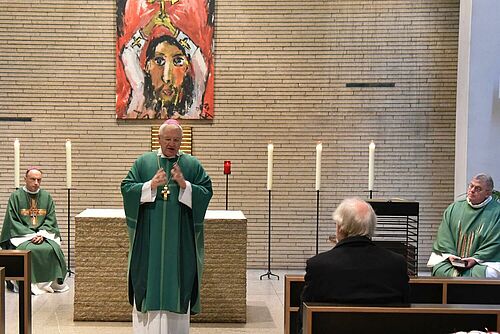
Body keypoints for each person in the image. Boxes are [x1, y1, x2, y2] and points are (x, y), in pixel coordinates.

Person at [121, 119, 212, 333]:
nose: (172, 143)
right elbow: (126, 188)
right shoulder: (144, 162)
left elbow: (206, 191)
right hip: (149, 240)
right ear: (159, 139)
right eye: (168, 139)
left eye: (176, 140)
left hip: (179, 242)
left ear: (182, 141)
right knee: (147, 282)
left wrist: (184, 184)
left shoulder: (191, 165)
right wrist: (150, 185)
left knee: (178, 284)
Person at [299, 197, 409, 333]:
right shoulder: (396, 264)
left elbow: (304, 317)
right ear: (371, 228)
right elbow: (406, 308)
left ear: (340, 228)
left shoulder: (318, 265)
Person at [0, 167, 69, 295]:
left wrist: (42, 234)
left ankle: (51, 283)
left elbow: (50, 219)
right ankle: (27, 284)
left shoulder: (46, 196)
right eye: (33, 179)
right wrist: (31, 235)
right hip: (22, 236)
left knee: (52, 249)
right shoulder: (16, 196)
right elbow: (12, 221)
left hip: (43, 235)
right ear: (25, 179)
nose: (36, 183)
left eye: (39, 180)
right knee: (32, 250)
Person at [427, 173, 500, 278]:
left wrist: (475, 259)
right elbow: (444, 236)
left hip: (483, 262)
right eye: (471, 186)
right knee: (438, 267)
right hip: (453, 261)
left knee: (490, 273)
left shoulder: (497, 212)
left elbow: (496, 242)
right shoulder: (453, 208)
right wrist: (451, 256)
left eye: (478, 188)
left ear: (488, 193)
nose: (472, 190)